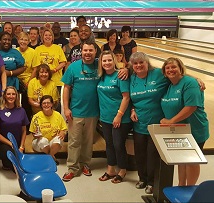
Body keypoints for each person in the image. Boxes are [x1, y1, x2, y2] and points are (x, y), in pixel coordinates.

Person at [129, 52, 205, 194]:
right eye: (135, 63)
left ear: (147, 63)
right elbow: (128, 97)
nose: (138, 65)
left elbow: (179, 77)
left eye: (141, 62)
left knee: (158, 156)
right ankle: (179, 187)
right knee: (143, 154)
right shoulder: (131, 77)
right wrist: (132, 109)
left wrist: (197, 78)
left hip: (163, 125)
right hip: (144, 124)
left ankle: (185, 190)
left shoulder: (159, 74)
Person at [160, 57, 209, 186]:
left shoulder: (190, 83)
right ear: (164, 72)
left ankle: (190, 190)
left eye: (174, 67)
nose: (171, 70)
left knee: (191, 161)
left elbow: (191, 107)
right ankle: (181, 187)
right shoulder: (169, 85)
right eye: (168, 68)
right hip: (180, 130)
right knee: (181, 159)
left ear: (180, 68)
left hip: (195, 129)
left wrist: (171, 121)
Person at [61, 40, 100, 182]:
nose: (88, 53)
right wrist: (66, 108)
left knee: (88, 142)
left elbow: (115, 68)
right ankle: (72, 168)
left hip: (93, 112)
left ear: (95, 52)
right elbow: (66, 88)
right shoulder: (73, 67)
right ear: (81, 52)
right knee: (74, 141)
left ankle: (85, 164)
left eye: (91, 50)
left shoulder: (99, 65)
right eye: (85, 50)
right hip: (76, 111)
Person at [96, 51, 132, 183]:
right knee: (109, 144)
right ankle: (110, 169)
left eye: (109, 60)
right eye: (104, 61)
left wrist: (119, 115)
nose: (107, 63)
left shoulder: (120, 75)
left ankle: (122, 170)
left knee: (118, 144)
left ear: (114, 60)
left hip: (120, 118)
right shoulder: (101, 76)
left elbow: (126, 97)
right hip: (105, 117)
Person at [0, 86, 29, 170]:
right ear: (4, 96)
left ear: (16, 96)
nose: (11, 96)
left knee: (22, 163)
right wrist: (10, 143)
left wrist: (21, 147)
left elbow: (24, 131)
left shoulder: (21, 111)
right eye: (8, 94)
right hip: (4, 144)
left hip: (18, 144)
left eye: (13, 94)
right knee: (13, 163)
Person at [30, 95, 67, 164]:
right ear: (41, 105)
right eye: (44, 103)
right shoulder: (36, 117)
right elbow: (33, 133)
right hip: (40, 142)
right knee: (43, 141)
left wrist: (62, 132)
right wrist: (36, 135)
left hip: (53, 142)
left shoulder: (58, 115)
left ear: (52, 104)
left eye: (48, 103)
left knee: (59, 139)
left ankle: (49, 157)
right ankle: (52, 157)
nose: (46, 105)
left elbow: (63, 129)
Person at [32, 28, 67, 92]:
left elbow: (63, 62)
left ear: (52, 37)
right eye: (46, 35)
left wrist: (54, 70)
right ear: (42, 37)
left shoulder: (58, 48)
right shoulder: (38, 49)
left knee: (56, 101)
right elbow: (36, 66)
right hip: (42, 82)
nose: (48, 37)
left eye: (50, 35)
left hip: (56, 82)